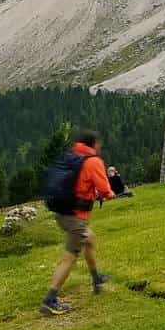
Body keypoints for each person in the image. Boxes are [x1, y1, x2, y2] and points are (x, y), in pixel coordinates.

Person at [41, 131, 114, 316]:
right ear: (94, 144)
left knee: (89, 239)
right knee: (70, 256)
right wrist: (110, 194)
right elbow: (105, 190)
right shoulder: (93, 161)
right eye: (99, 144)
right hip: (76, 216)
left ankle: (96, 278)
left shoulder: (71, 157)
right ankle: (50, 299)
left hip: (62, 212)